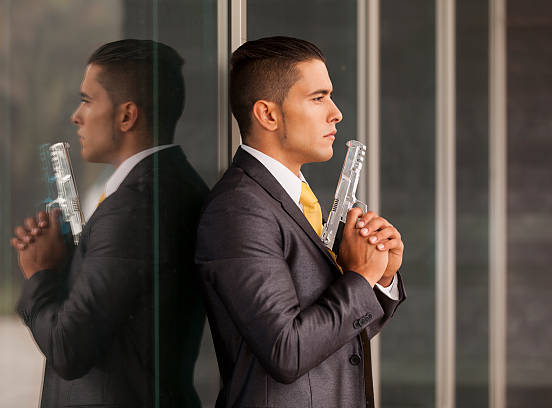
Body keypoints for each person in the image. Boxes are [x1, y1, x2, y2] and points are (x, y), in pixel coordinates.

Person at [195, 36, 405, 408]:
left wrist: (381, 277)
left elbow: (336, 344)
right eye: (318, 97)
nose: (336, 113)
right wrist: (360, 278)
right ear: (268, 115)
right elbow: (287, 351)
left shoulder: (293, 198)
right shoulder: (238, 210)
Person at [10, 39, 209, 407]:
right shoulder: (173, 185)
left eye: (87, 100)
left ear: (126, 116)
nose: (76, 116)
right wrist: (73, 263)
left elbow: (68, 349)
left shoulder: (134, 207)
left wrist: (40, 274)